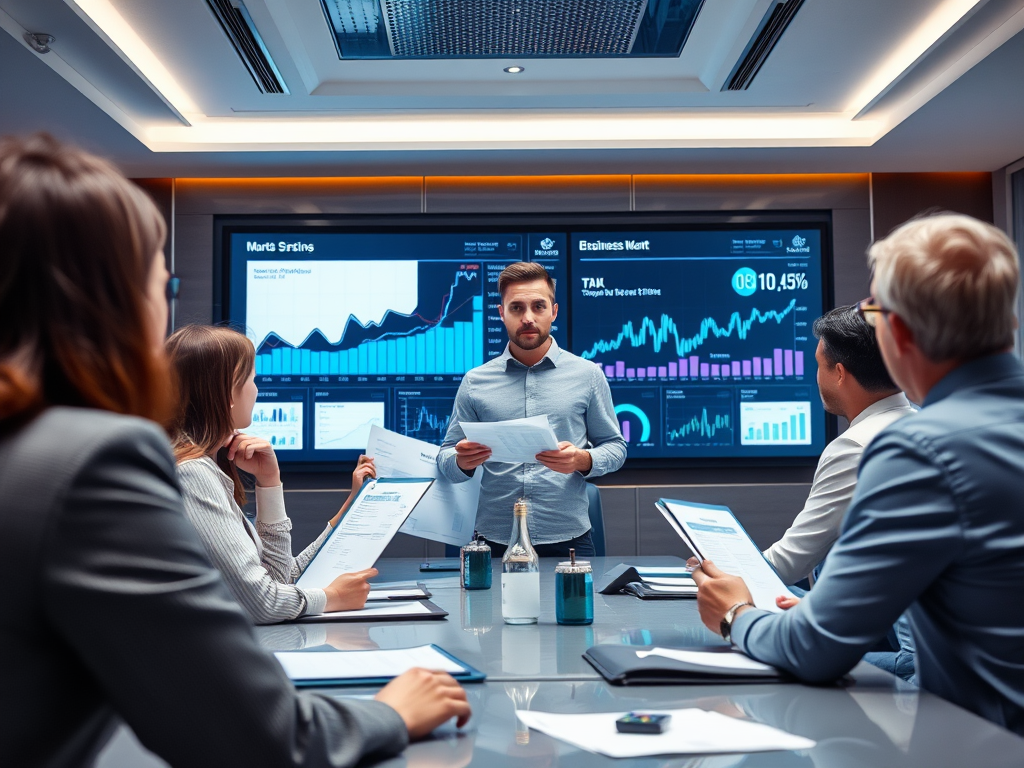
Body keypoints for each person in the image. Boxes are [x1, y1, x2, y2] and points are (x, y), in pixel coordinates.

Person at [0, 134, 469, 767]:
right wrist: (392, 711)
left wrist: (278, 490)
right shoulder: (93, 463)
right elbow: (255, 734)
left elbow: (268, 579)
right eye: (159, 286)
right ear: (105, 297)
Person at [692, 213, 1024, 736]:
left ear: (901, 331)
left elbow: (816, 649)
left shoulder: (919, 452)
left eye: (873, 311)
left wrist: (737, 615)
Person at [166, 324, 378, 624]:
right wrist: (332, 598)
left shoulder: (201, 467)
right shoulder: (192, 473)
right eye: (252, 379)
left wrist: (270, 483)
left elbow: (281, 578)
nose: (257, 389)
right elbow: (263, 603)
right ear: (227, 391)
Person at [437, 261, 626, 557]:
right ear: (501, 314)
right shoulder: (475, 382)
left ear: (554, 311)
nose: (528, 318)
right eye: (516, 308)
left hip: (569, 540)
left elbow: (616, 447)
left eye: (538, 306)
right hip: (494, 542)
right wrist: (462, 461)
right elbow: (445, 458)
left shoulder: (588, 375)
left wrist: (583, 459)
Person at [763, 304, 915, 586]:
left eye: (819, 366)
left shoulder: (855, 448)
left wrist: (719, 571)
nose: (817, 377)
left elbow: (787, 564)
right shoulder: (921, 423)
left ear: (840, 373)